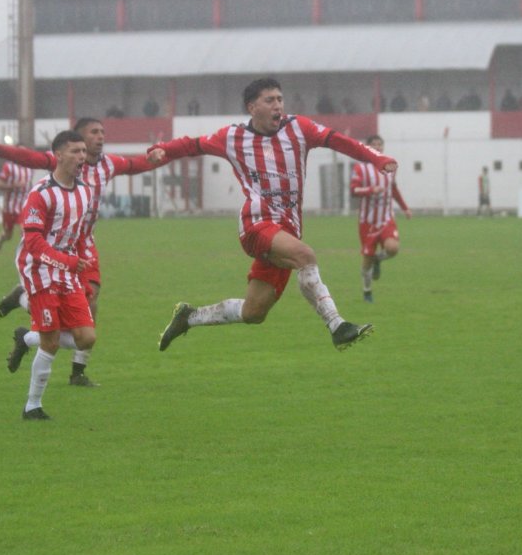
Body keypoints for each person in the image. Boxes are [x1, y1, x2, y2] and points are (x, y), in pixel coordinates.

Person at [147, 77, 398, 351]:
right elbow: (192, 145)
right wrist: (162, 150)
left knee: (254, 312)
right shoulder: (233, 137)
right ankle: (337, 325)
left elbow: (339, 141)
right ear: (252, 107)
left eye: (280, 99)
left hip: (287, 230)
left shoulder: (299, 128)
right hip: (256, 223)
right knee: (306, 256)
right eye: (270, 100)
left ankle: (189, 317)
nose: (278, 105)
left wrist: (377, 158)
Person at [0, 117, 162, 386]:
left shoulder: (108, 164)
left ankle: (76, 369)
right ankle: (26, 305)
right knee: (62, 318)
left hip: (85, 242)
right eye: (92, 133)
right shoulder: (64, 163)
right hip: (58, 243)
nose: (99, 137)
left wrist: (156, 157)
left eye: (102, 132)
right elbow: (28, 158)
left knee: (91, 301)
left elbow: (134, 165)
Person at [15, 130, 96, 420]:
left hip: (67, 270)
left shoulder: (85, 191)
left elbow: (78, 234)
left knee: (86, 338)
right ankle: (32, 406)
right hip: (39, 270)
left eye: (83, 152)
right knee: (51, 343)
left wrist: (79, 262)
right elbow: (34, 243)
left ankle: (27, 338)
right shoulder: (41, 194)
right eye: (75, 151)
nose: (82, 157)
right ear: (59, 155)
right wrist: (66, 261)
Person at [349, 135, 411, 303]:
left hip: (386, 218)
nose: (377, 147)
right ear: (367, 147)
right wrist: (370, 189)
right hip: (367, 222)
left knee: (393, 248)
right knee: (366, 259)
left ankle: (378, 260)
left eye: (380, 144)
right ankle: (367, 291)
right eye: (374, 144)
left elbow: (393, 189)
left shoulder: (390, 166)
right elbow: (353, 190)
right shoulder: (360, 168)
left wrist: (405, 208)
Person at [0, 159, 35, 254]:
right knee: (8, 235)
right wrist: (14, 185)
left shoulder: (30, 168)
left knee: (25, 229)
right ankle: (2, 238)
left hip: (24, 205)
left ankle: (27, 255)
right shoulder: (9, 167)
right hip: (10, 207)